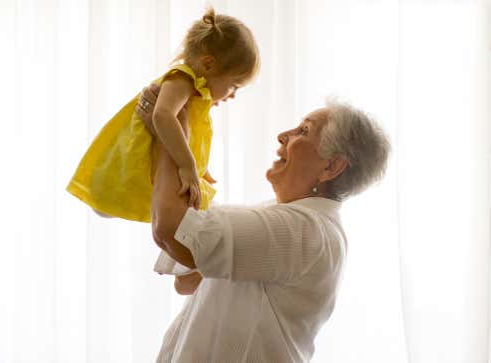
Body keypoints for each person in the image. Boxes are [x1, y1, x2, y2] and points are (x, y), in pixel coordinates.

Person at [136, 85, 391, 362]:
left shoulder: (304, 230)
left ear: (331, 167)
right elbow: (186, 281)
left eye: (303, 131)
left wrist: (170, 135)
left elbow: (170, 231)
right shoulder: (282, 218)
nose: (283, 136)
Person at [66, 7, 260, 222]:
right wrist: (188, 166)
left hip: (157, 163)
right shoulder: (182, 79)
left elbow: (187, 135)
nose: (232, 95)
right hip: (138, 158)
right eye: (233, 85)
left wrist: (200, 168)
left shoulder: (196, 95)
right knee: (114, 202)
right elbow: (162, 116)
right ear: (208, 64)